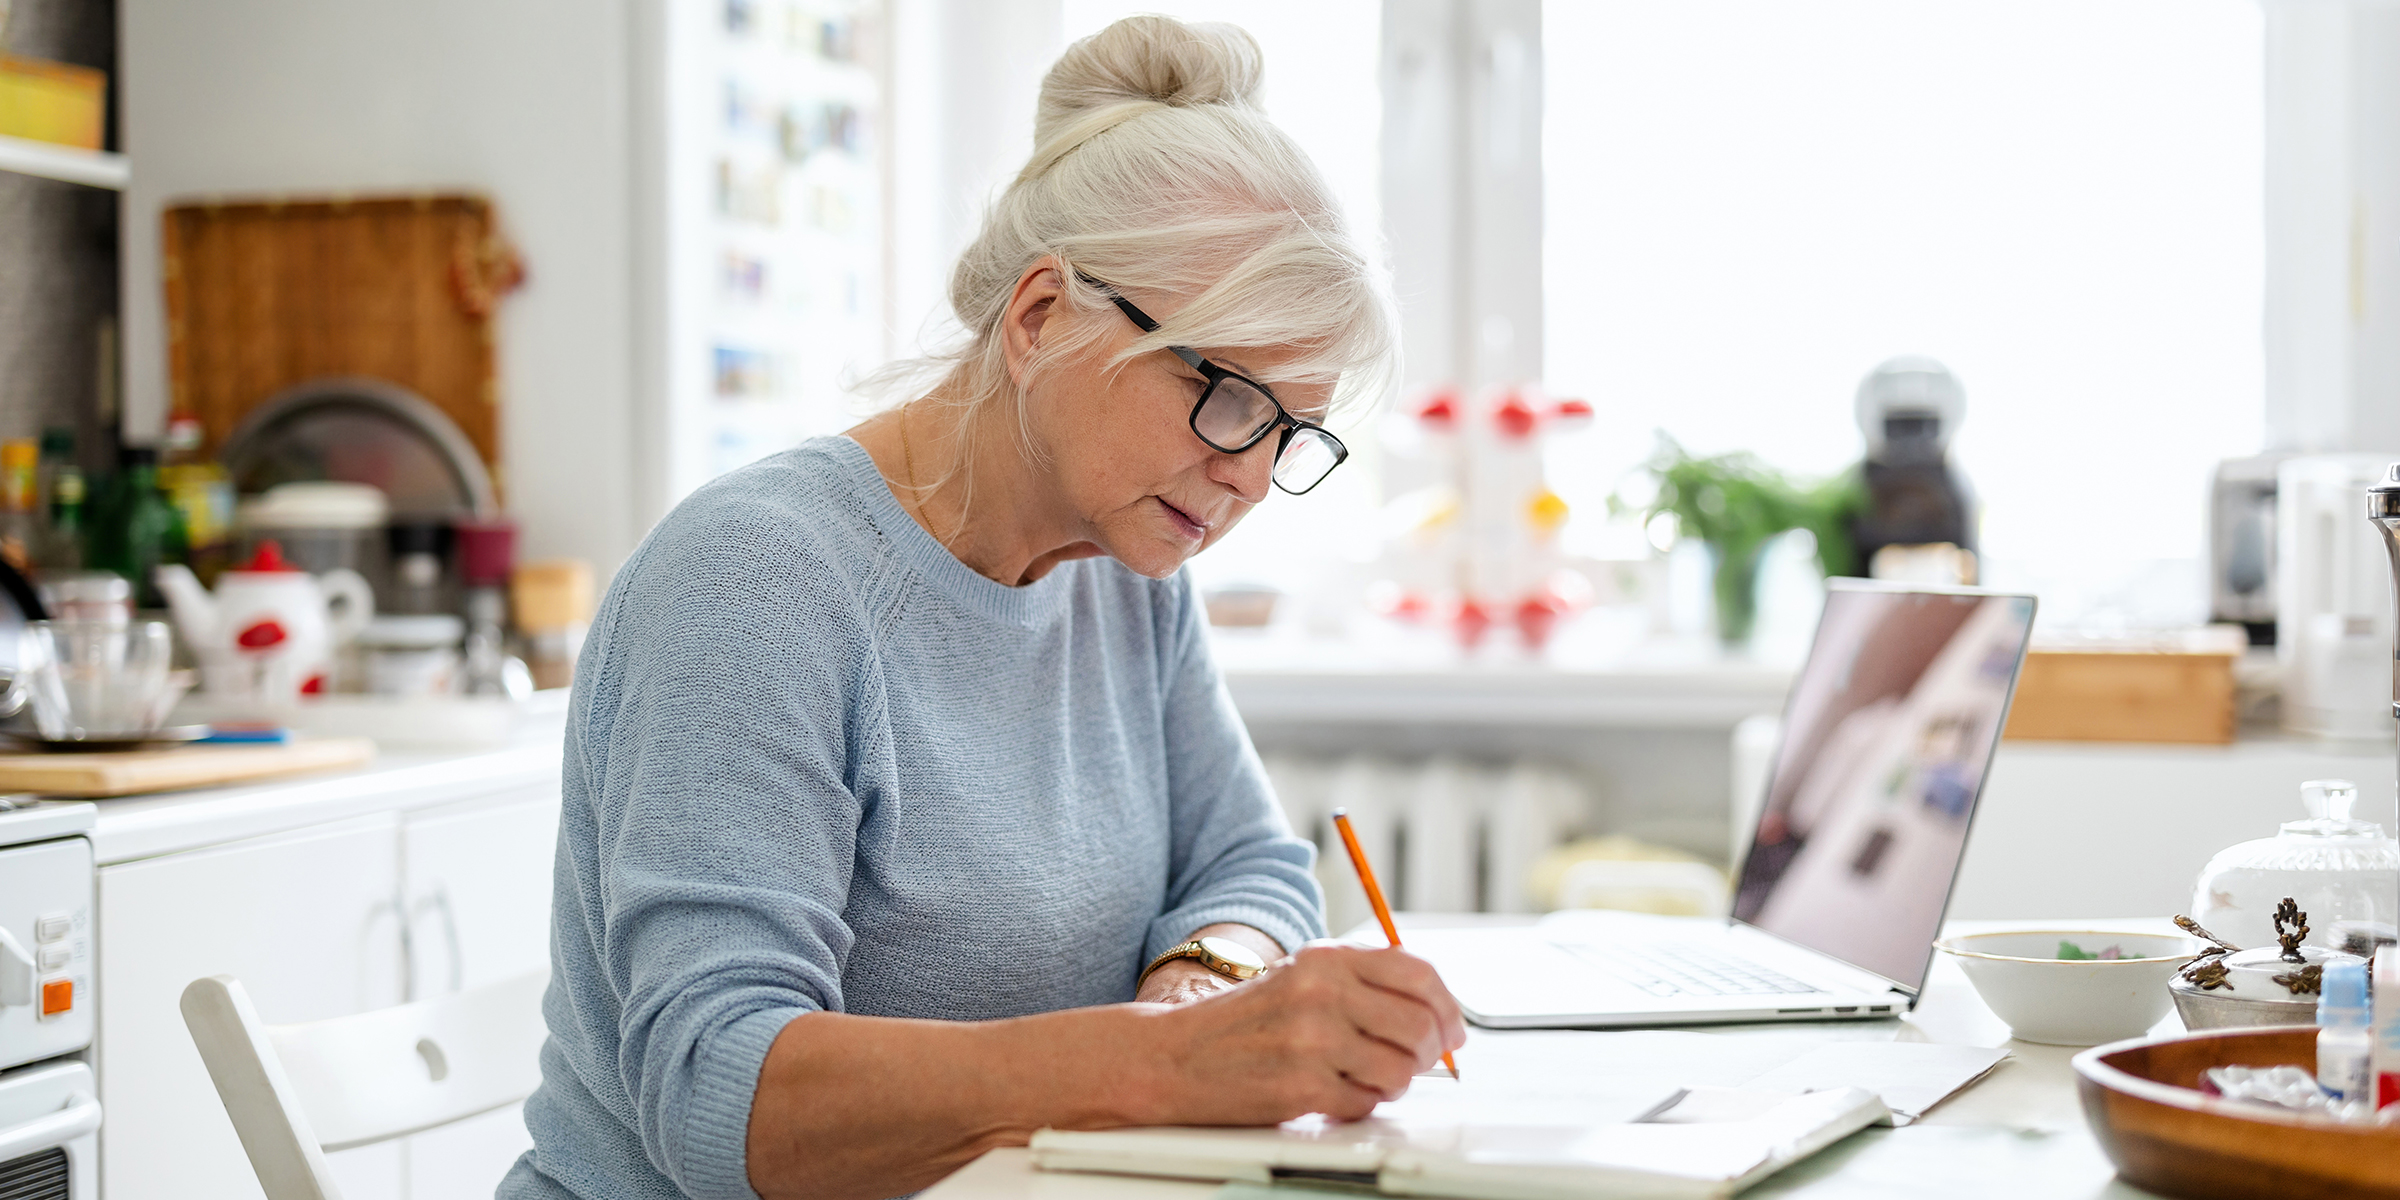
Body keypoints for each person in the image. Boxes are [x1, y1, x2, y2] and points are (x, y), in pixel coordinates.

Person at [500, 16, 1467, 1200]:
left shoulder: (1124, 564)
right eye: (1226, 395)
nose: (1252, 475)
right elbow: (723, 1099)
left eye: (1291, 433)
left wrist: (1204, 977)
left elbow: (1249, 861)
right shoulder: (756, 582)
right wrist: (1167, 1064)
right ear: (1040, 316)